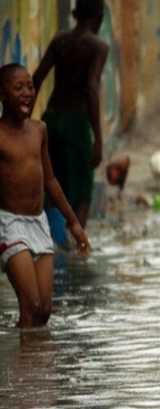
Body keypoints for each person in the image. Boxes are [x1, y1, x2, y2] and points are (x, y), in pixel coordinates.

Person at [0, 63, 91, 328]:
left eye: (30, 86)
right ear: (2, 96)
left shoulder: (39, 130)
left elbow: (50, 180)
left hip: (39, 224)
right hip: (9, 226)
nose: (27, 92)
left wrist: (73, 223)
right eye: (18, 87)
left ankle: (34, 364)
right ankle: (26, 367)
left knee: (45, 311)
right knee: (31, 306)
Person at [33, 0, 109, 229]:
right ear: (99, 17)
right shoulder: (98, 47)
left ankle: (49, 243)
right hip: (76, 123)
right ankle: (78, 254)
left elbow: (36, 79)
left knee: (53, 183)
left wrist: (21, 123)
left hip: (51, 119)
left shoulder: (59, 41)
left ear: (76, 14)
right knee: (82, 191)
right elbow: (92, 88)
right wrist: (98, 138)